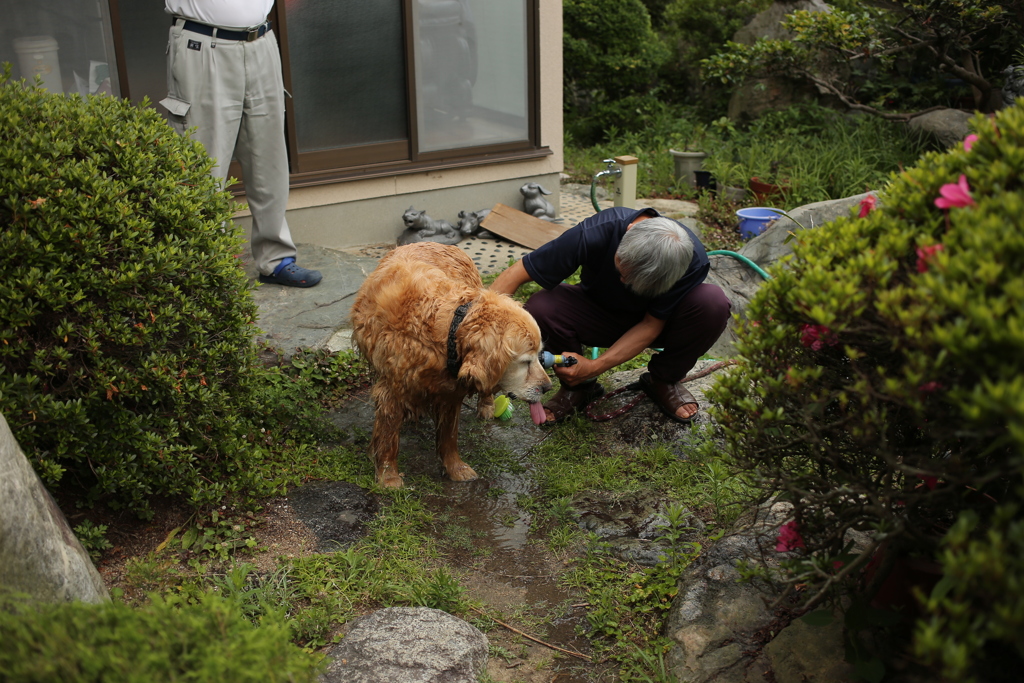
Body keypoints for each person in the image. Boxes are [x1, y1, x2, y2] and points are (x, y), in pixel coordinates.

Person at [489, 207, 731, 424]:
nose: (626, 283)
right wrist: (486, 336)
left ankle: (663, 380)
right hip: (599, 314)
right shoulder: (596, 232)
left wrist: (595, 366)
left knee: (712, 303)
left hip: (657, 323)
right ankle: (579, 388)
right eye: (623, 272)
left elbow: (651, 324)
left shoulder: (689, 259)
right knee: (543, 305)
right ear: (626, 234)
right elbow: (517, 273)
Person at [161, 0, 321, 287]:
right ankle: (206, 269)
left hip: (261, 41)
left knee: (269, 162)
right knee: (202, 166)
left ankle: (276, 259)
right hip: (202, 44)